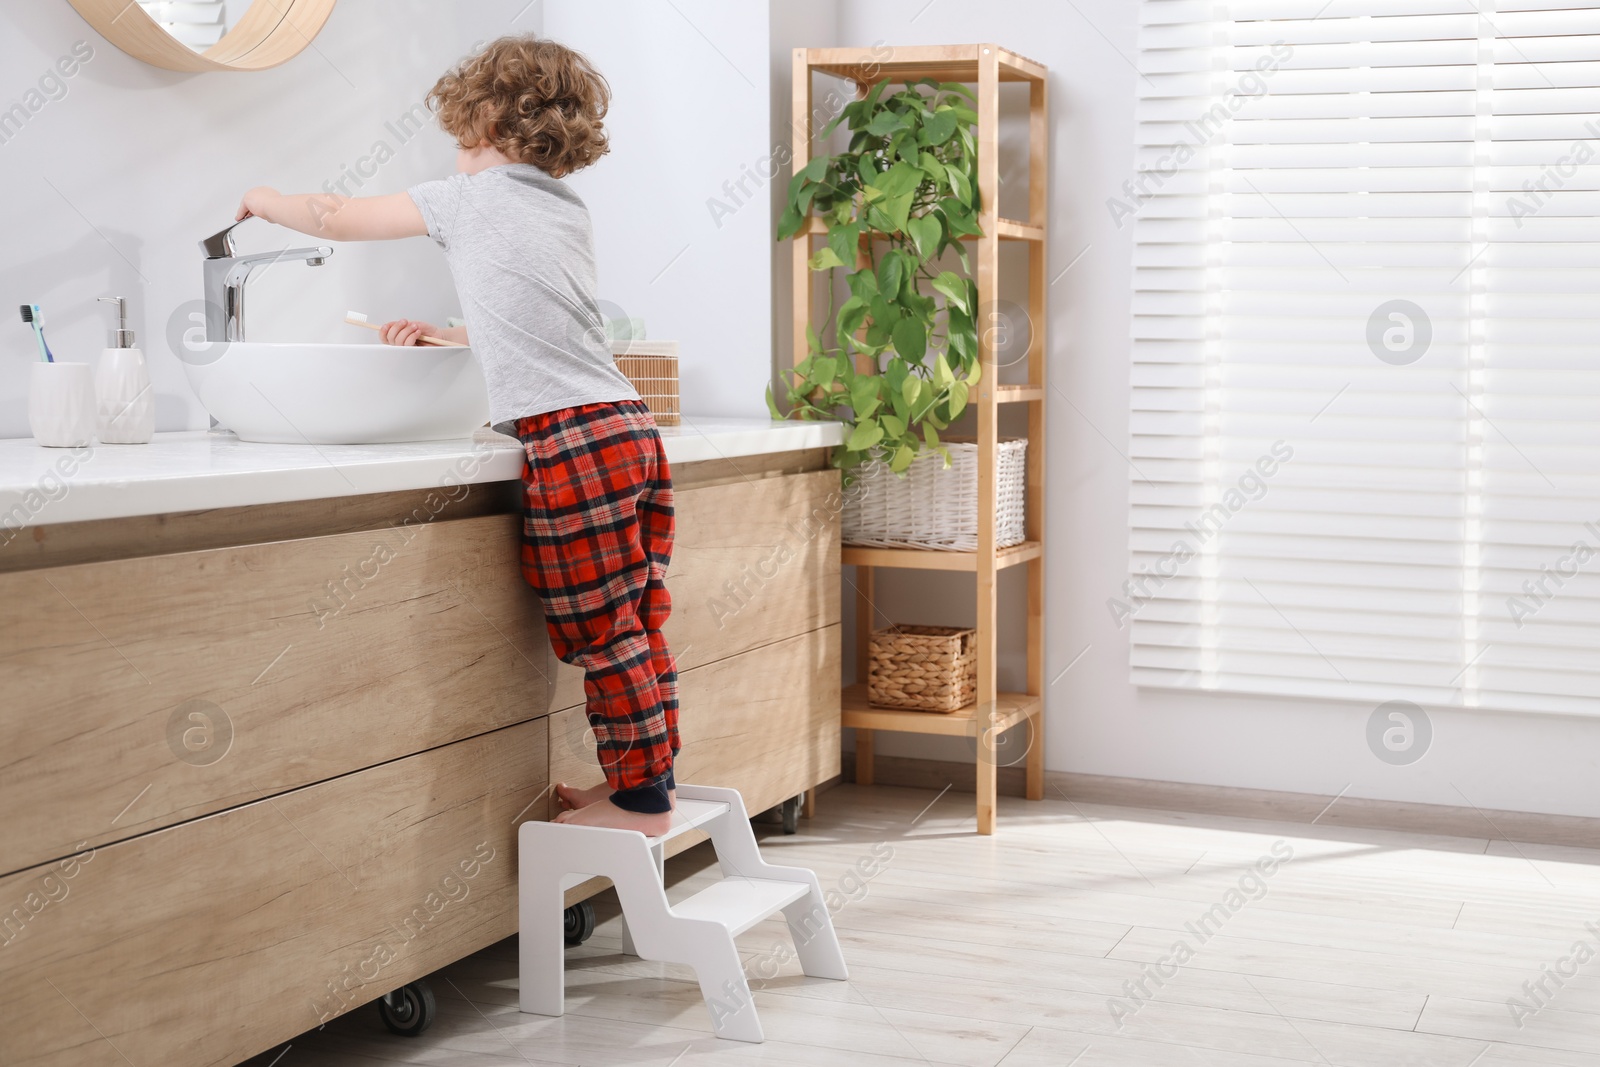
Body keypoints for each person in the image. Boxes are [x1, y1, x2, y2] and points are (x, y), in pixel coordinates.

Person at [235, 35, 678, 835]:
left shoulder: (465, 198)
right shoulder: (564, 208)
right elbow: (542, 325)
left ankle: (641, 803)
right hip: (626, 428)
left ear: (482, 120)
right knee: (634, 621)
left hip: (572, 437)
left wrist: (269, 200)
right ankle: (646, 781)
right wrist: (449, 337)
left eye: (460, 129)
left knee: (596, 630)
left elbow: (337, 216)